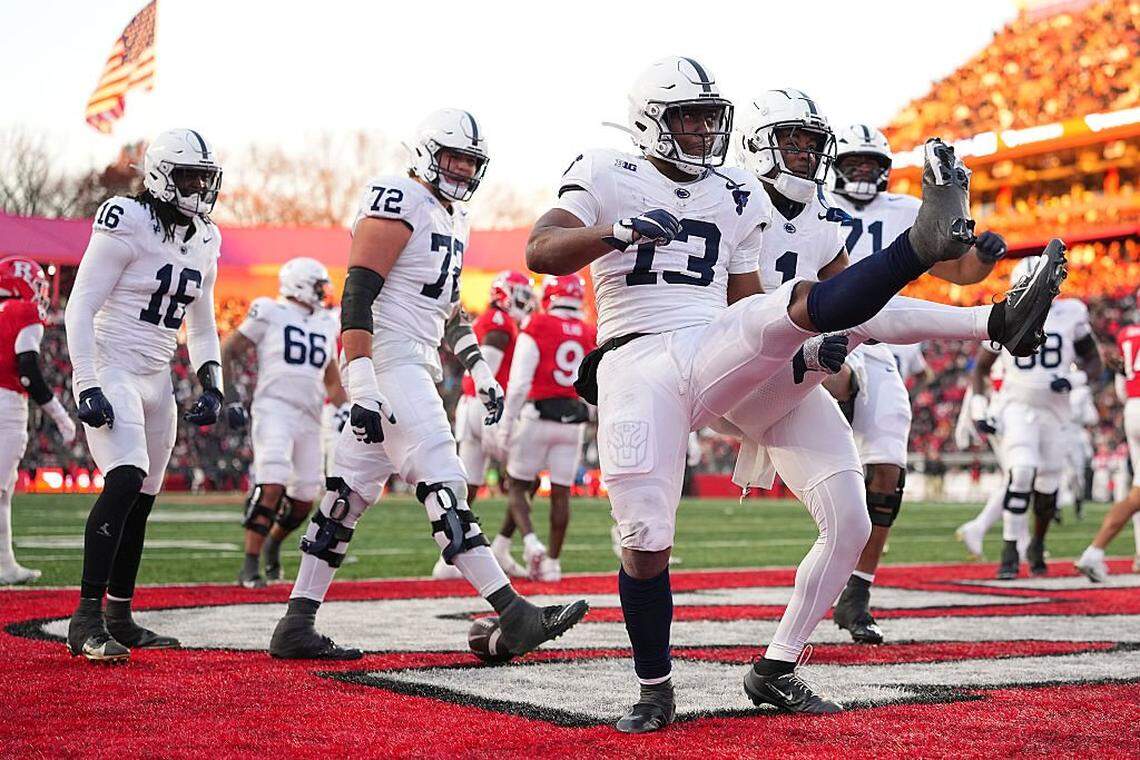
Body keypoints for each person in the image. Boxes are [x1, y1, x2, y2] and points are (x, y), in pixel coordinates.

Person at [526, 58, 1060, 733]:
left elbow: (753, 304)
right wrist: (617, 232)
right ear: (650, 121)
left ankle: (776, 666)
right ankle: (654, 688)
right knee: (645, 537)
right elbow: (541, 249)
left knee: (852, 517)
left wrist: (800, 348)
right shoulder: (605, 170)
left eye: (710, 117)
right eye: (689, 117)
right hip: (637, 357)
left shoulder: (732, 192)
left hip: (713, 344)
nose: (703, 130)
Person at [269, 108, 588, 661]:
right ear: (425, 153)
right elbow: (357, 293)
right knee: (443, 477)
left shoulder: (452, 217)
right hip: (387, 358)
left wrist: (480, 368)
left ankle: (296, 622)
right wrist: (363, 378)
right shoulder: (399, 197)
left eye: (471, 160)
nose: (462, 169)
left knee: (345, 497)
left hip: (412, 357)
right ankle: (513, 611)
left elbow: (447, 309)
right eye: (452, 157)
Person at [825, 123, 1007, 644]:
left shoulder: (907, 209)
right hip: (812, 331)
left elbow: (963, 273)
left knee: (887, 467)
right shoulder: (809, 202)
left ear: (885, 170)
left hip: (881, 343)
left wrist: (985, 257)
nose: (863, 172)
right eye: (854, 162)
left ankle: (858, 589)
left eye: (871, 164)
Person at [64, 128, 227, 662]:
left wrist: (212, 381)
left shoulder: (206, 237)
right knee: (126, 478)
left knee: (144, 500)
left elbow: (201, 325)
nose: (200, 188)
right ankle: (85, 618)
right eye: (189, 176)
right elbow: (80, 307)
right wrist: (87, 382)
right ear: (160, 175)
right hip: (112, 365)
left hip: (159, 378)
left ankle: (119, 614)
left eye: (206, 177)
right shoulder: (125, 218)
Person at [971, 257, 1101, 579]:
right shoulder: (1006, 313)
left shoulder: (1072, 313)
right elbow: (982, 368)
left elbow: (1094, 362)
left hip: (1056, 412)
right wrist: (978, 409)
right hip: (1017, 407)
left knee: (1048, 485)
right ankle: (1010, 550)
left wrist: (1075, 380)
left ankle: (1037, 544)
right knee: (1022, 472)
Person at [223, 257, 345, 588]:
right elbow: (229, 349)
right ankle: (249, 564)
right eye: (319, 285)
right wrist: (230, 394)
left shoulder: (326, 322)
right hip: (274, 408)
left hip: (310, 415)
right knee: (272, 483)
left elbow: (331, 377)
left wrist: (345, 408)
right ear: (300, 284)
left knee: (305, 495)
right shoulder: (269, 310)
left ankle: (274, 544)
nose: (324, 292)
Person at [493, 274, 597, 581]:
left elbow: (520, 382)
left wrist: (506, 424)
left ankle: (529, 541)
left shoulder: (537, 325)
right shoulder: (589, 331)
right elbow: (595, 383)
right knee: (561, 493)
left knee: (517, 484)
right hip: (573, 421)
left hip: (537, 415)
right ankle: (552, 562)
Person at [444, 270, 533, 580]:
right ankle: (503, 546)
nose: (526, 303)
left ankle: (450, 557)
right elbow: (489, 369)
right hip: (487, 407)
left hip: (471, 405)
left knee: (467, 484)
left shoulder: (489, 320)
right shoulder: (499, 322)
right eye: (521, 295)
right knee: (526, 476)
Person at [0, 257, 76, 584]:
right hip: (6, 404)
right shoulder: (24, 312)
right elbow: (28, 370)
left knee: (3, 491)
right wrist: (61, 416)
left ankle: (5, 564)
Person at [1075, 320, 1140, 581]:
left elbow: (1123, 390)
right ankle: (1094, 552)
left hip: (1133, 409)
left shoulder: (1128, 333)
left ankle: (1123, 552)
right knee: (1137, 495)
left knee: (1138, 490)